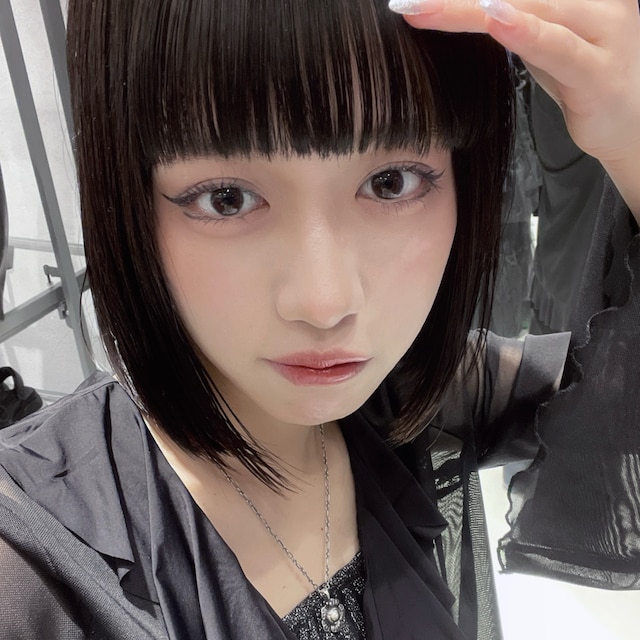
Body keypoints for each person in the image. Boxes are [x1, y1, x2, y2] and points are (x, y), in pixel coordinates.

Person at [0, 1, 638, 639]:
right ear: (127, 195)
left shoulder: (419, 394)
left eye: (390, 183)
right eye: (227, 198)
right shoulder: (38, 565)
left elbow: (616, 411)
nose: (325, 302)